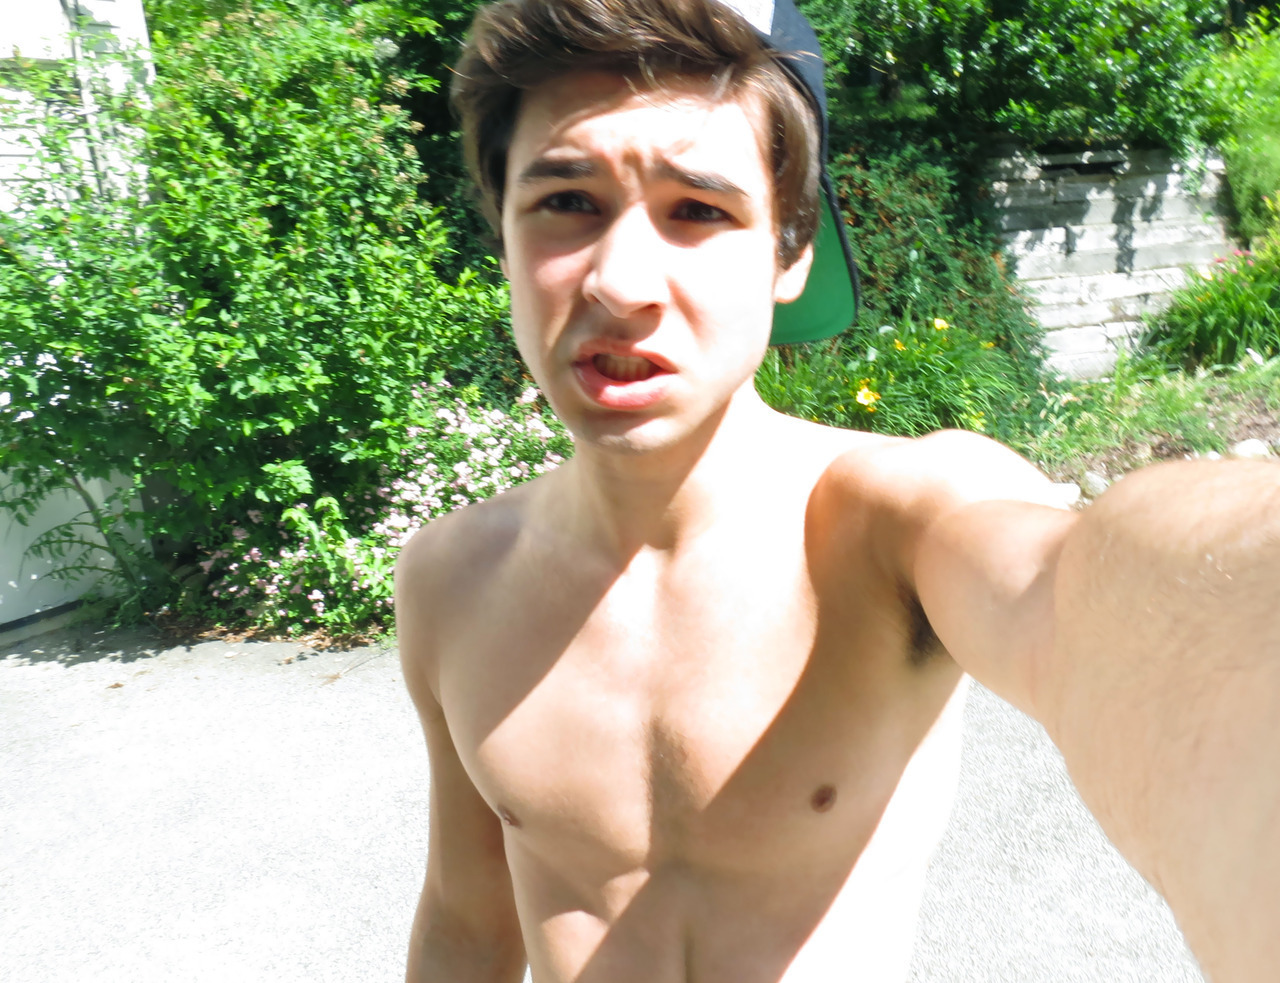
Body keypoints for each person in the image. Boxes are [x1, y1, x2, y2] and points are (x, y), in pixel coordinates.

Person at [393, 1, 1280, 980]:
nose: (619, 281)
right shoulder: (448, 580)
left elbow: (1080, 591)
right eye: (567, 201)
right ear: (503, 235)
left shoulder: (892, 525)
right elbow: (467, 920)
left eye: (698, 210)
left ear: (790, 253)